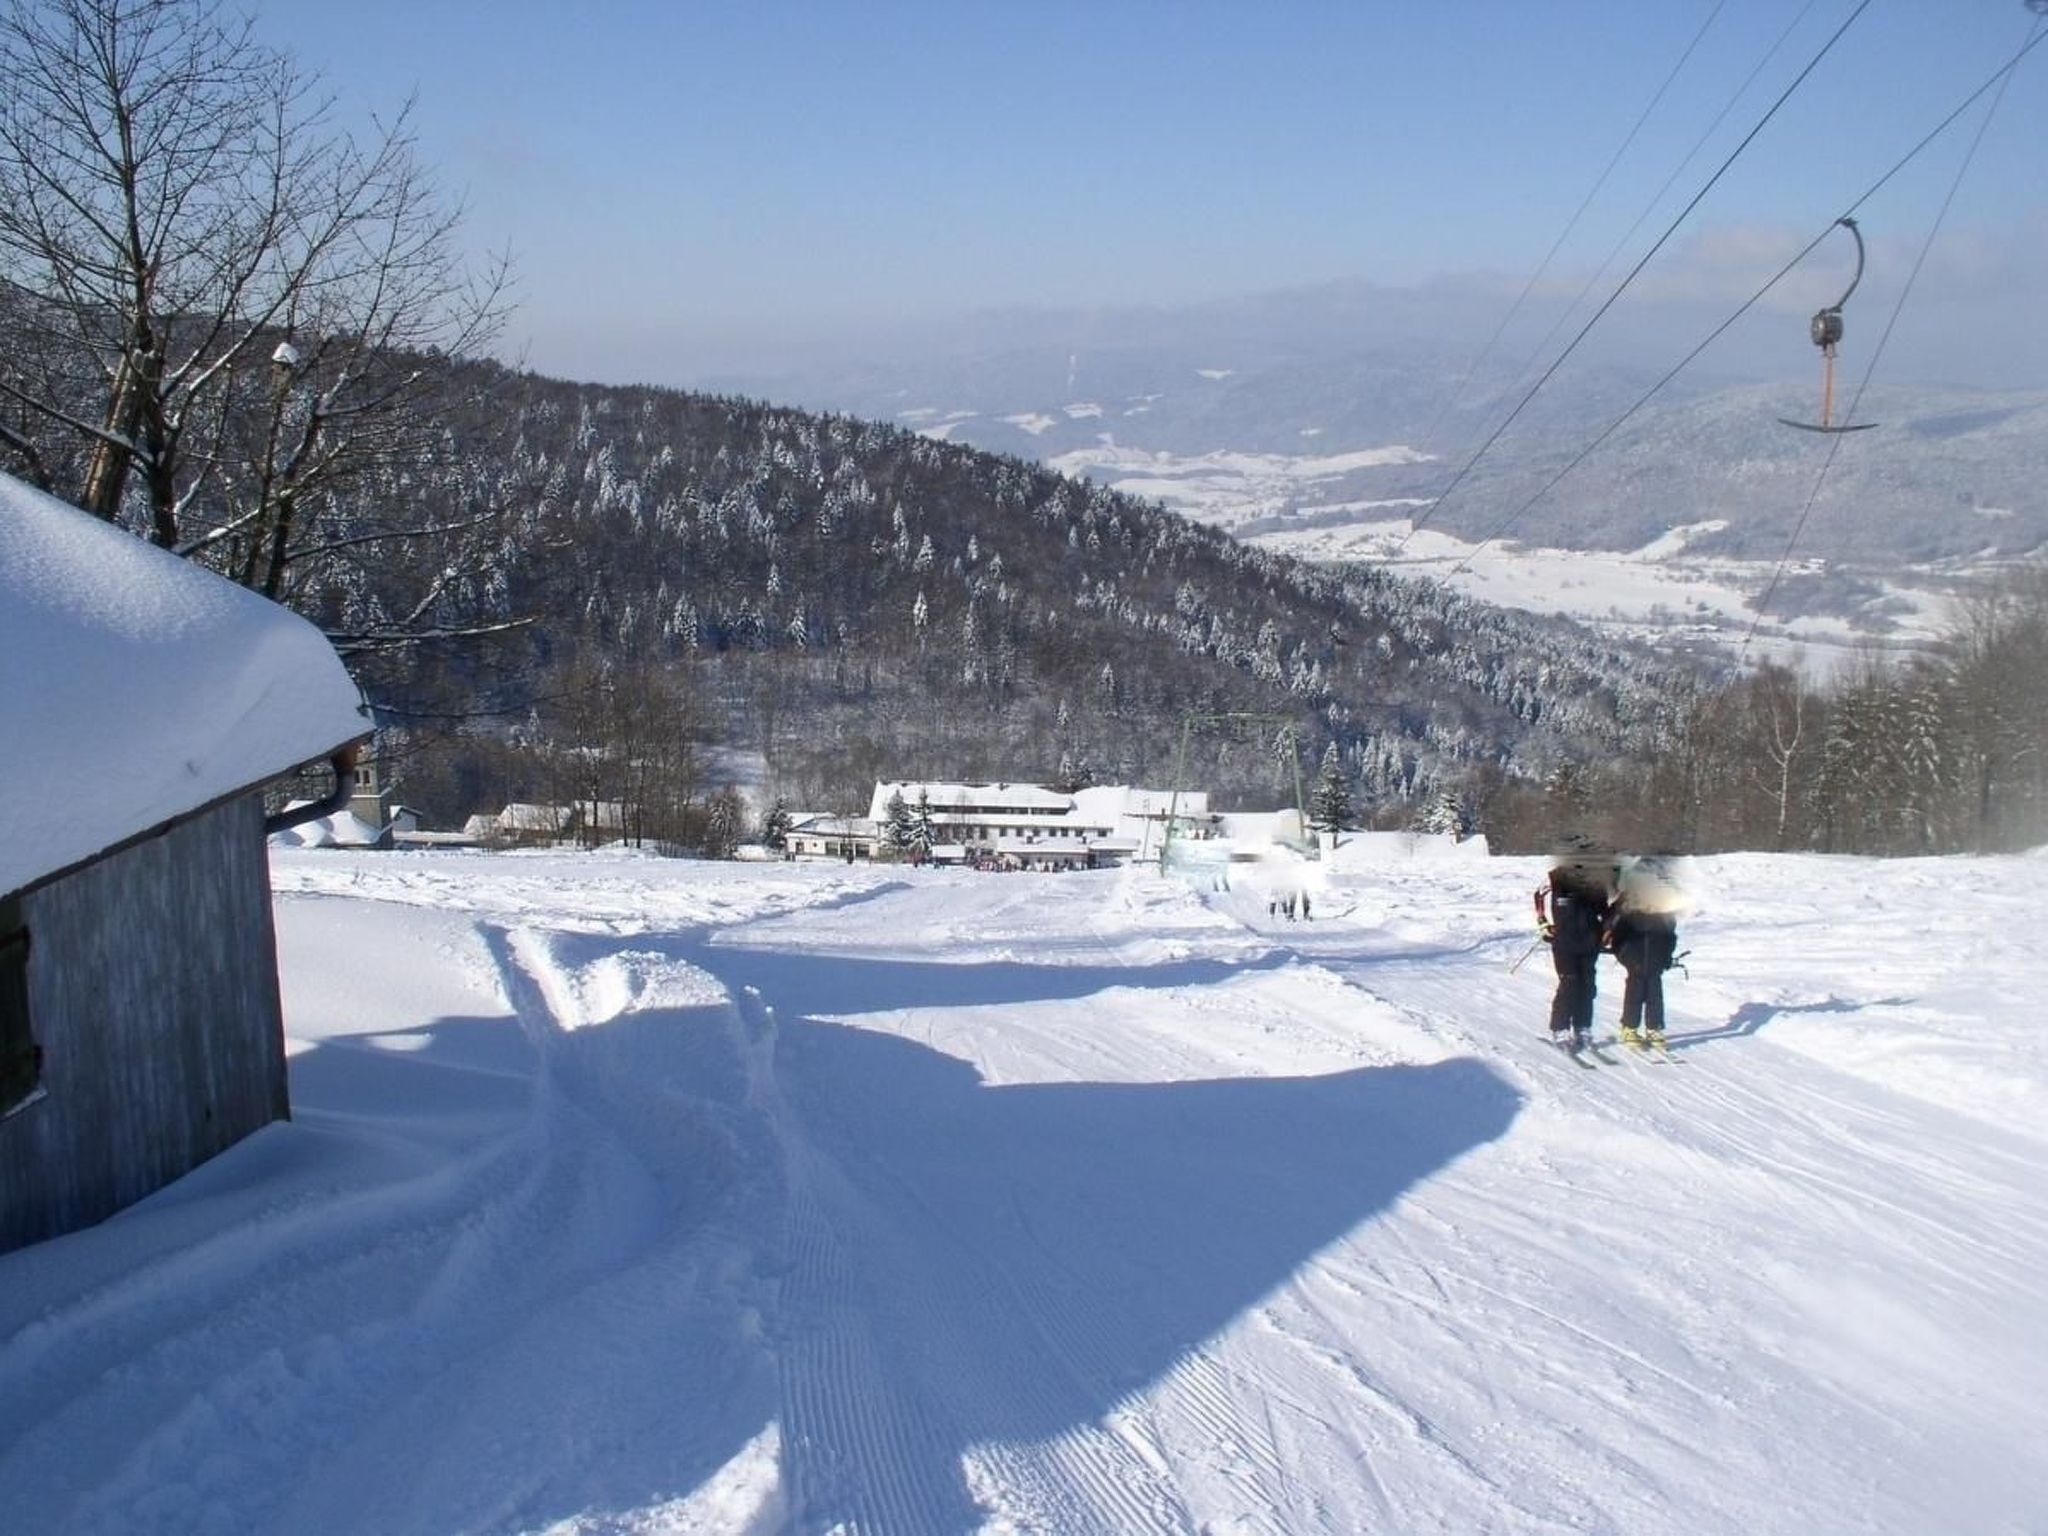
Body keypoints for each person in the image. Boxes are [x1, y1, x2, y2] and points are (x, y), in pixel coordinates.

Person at [1534, 844, 1617, 1049]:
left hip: (1590, 942)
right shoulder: (1556, 877)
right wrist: (1543, 923)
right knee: (1569, 984)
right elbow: (1539, 897)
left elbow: (1606, 911)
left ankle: (1582, 1027)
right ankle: (1560, 1029)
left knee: (1587, 986)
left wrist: (1607, 930)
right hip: (1565, 943)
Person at [1607, 856, 1686, 1047]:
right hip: (1633, 951)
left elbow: (1670, 931)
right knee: (1635, 989)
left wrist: (1667, 954)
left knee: (1654, 991)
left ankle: (1654, 1028)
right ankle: (1629, 1028)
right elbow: (1613, 923)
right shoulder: (1628, 898)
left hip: (1656, 952)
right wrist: (1620, 949)